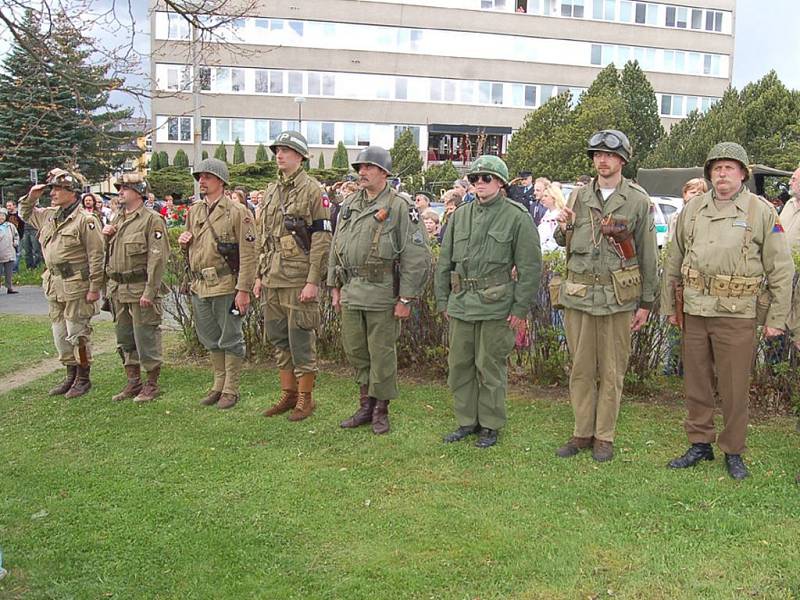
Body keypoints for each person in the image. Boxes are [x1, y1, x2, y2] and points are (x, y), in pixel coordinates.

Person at [661, 142, 794, 480]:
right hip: (694, 309)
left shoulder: (760, 212)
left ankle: (733, 449)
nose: (722, 174)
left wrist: (776, 319)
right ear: (709, 174)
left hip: (737, 313)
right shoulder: (693, 210)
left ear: (743, 174)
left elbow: (780, 268)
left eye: (729, 168)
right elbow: (673, 260)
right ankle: (699, 442)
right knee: (696, 382)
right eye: (716, 168)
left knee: (734, 387)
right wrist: (669, 307)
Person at [553, 130, 658, 462]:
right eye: (597, 154)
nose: (602, 160)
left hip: (617, 299)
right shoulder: (578, 197)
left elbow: (648, 254)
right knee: (581, 369)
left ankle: (605, 435)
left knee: (612, 371)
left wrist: (646, 303)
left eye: (609, 155)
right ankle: (582, 431)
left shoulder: (637, 200)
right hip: (580, 296)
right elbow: (562, 240)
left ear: (622, 160)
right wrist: (563, 226)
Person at [435, 155, 541, 448]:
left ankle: (491, 424)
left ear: (500, 183)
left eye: (487, 178)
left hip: (497, 305)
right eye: (475, 179)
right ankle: (467, 421)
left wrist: (520, 309)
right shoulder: (459, 216)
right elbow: (444, 262)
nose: (480, 183)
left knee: (490, 365)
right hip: (461, 303)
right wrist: (443, 300)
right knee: (459, 364)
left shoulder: (517, 217)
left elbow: (531, 268)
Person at [327, 146, 431, 434]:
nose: (362, 172)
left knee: (382, 353)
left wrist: (406, 297)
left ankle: (381, 409)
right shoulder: (349, 204)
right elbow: (337, 245)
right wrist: (334, 285)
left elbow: (416, 254)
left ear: (384, 172)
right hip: (351, 289)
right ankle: (365, 404)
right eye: (360, 168)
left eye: (368, 167)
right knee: (356, 349)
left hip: (382, 291)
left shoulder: (400, 205)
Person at [254, 131, 332, 421]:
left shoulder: (313, 190)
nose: (279, 154)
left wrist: (313, 280)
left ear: (300, 156)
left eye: (286, 150)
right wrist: (261, 274)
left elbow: (322, 238)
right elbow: (265, 236)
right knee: (278, 338)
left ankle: (305, 398)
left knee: (300, 338)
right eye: (277, 150)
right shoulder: (271, 190)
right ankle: (287, 394)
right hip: (273, 277)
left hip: (298, 278)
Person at [178, 158, 257, 410]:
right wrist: (184, 244)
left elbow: (248, 254)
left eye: (207, 177)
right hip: (201, 285)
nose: (202, 181)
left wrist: (243, 290)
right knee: (210, 337)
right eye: (199, 177)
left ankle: (231, 388)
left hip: (226, 284)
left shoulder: (238, 212)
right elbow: (193, 249)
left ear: (221, 181)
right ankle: (218, 384)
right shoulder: (195, 212)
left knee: (231, 337)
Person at [20, 168, 104, 397]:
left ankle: (84, 377)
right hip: (54, 283)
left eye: (58, 189)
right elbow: (25, 214)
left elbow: (97, 256)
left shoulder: (86, 220)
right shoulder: (50, 215)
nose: (53, 193)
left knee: (78, 333)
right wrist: (32, 196)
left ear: (72, 192)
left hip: (77, 284)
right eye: (53, 189)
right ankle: (70, 374)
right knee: (59, 333)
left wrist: (95, 288)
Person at [103, 173, 170, 403]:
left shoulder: (151, 220)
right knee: (125, 337)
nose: (120, 192)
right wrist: (106, 237)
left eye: (125, 188)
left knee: (146, 336)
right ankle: (133, 381)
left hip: (140, 286)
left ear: (139, 192)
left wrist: (150, 291)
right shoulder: (117, 218)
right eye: (120, 188)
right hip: (118, 288)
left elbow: (158, 258)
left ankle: (151, 383)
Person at [667, 178, 707, 243]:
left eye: (700, 193)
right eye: (693, 192)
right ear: (685, 194)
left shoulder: (708, 216)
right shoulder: (674, 217)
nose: (696, 195)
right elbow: (668, 240)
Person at [538, 184, 566, 253]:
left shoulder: (559, 216)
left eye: (546, 196)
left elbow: (554, 241)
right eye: (543, 196)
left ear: (554, 198)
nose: (543, 199)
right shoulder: (546, 214)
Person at [777, 166, 800, 248]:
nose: (789, 183)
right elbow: (778, 226)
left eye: (794, 179)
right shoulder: (789, 204)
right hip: (779, 257)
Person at [0, 207, 20, 293]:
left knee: (9, 272)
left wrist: (15, 243)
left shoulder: (10, 226)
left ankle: (10, 287)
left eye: (2, 216)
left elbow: (16, 235)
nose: (1, 218)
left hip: (9, 252)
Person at [5, 200, 24, 273]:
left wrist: (20, 236)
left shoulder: (19, 215)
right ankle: (8, 270)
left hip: (19, 237)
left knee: (18, 253)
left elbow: (22, 226)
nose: (8, 207)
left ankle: (14, 270)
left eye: (10, 205)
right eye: (7, 206)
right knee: (9, 254)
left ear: (14, 206)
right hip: (8, 237)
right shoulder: (6, 216)